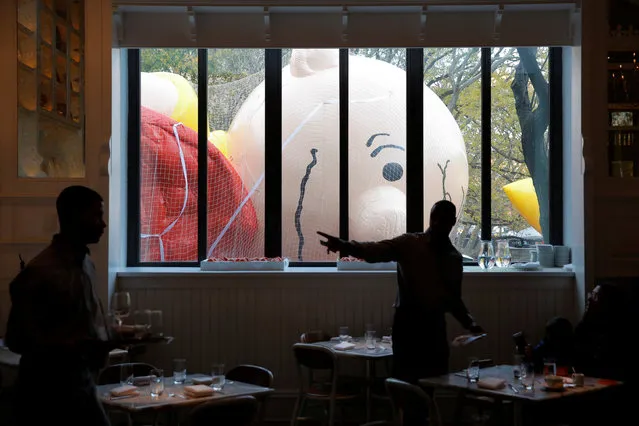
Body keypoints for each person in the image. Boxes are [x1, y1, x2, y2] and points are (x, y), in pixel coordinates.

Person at [318, 200, 484, 384]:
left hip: (430, 329)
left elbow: (453, 300)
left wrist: (470, 322)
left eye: (442, 219)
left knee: (427, 385)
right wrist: (344, 246)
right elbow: (374, 250)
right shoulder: (412, 244)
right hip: (410, 328)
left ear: (452, 222)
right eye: (435, 218)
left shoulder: (449, 256)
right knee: (407, 385)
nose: (437, 223)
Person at [5, 185, 115, 426]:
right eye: (97, 215)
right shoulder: (40, 272)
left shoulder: (86, 263)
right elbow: (16, 339)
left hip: (82, 385)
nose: (103, 224)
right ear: (74, 217)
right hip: (45, 395)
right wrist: (75, 346)